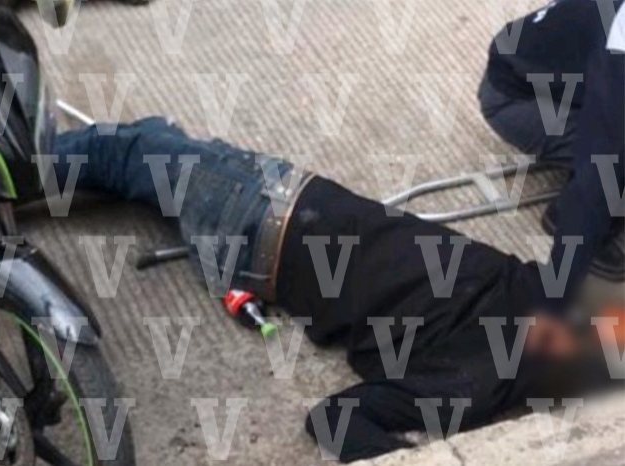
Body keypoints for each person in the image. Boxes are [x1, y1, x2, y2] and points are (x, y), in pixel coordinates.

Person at [48, 116, 614, 462]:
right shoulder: (527, 324)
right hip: (269, 206)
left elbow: (335, 419)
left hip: (255, 222)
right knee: (144, 148)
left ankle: (2, 162)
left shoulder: (482, 372)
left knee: (128, 151)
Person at [478, 0, 625, 314]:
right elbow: (598, 172)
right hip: (517, 99)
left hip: (572, 75)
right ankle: (564, 212)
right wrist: (556, 302)